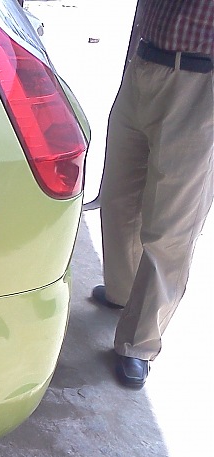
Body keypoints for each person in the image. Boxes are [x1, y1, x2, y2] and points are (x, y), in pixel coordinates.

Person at [91, 0, 213, 388]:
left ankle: (138, 343)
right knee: (118, 198)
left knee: (169, 228)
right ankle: (123, 292)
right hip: (144, 64)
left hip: (199, 84)